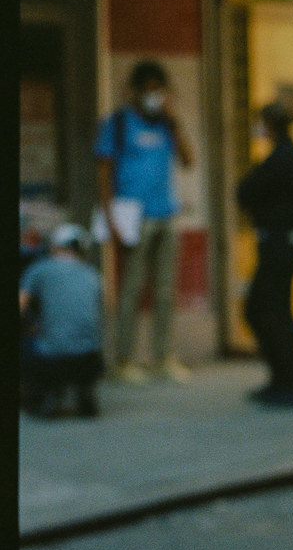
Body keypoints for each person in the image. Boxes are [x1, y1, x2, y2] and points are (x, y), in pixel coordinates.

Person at [94, 58, 194, 382]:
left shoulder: (166, 124)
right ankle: (123, 361)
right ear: (135, 92)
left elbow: (188, 161)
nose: (154, 96)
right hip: (133, 218)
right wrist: (111, 221)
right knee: (132, 291)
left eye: (159, 90)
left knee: (165, 291)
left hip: (165, 214)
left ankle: (163, 358)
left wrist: (175, 121)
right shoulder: (118, 123)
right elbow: (104, 173)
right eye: (148, 90)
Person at [236, 102, 293, 408]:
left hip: (280, 247)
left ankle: (290, 382)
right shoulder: (289, 158)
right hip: (286, 246)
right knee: (269, 310)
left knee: (270, 312)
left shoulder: (281, 161)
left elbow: (247, 193)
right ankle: (283, 379)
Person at [20, 223, 105, 418]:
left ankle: (43, 394)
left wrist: (32, 325)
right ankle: (84, 391)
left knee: (25, 342)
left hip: (51, 360)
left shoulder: (39, 269)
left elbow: (20, 306)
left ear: (54, 246)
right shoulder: (93, 274)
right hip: (90, 360)